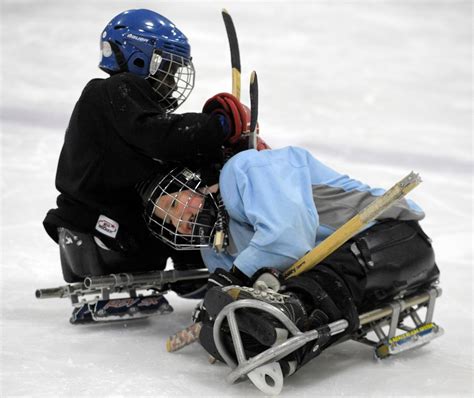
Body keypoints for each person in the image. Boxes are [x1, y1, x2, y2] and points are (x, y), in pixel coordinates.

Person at [141, 146, 440, 377]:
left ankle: (290, 346)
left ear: (196, 185)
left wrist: (235, 280)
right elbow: (236, 291)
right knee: (242, 320)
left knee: (308, 292)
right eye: (168, 221)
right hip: (360, 285)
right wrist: (216, 314)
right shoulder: (216, 251)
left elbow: (288, 237)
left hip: (392, 242)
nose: (179, 222)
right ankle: (279, 336)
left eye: (173, 204)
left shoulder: (247, 170)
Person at [42, 9, 259, 305]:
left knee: (182, 189)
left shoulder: (124, 107)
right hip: (100, 226)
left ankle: (191, 261)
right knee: (176, 196)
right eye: (167, 67)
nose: (171, 79)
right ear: (140, 57)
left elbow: (169, 151)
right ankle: (201, 260)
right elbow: (161, 138)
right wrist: (216, 125)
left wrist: (216, 154)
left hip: (116, 221)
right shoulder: (114, 89)